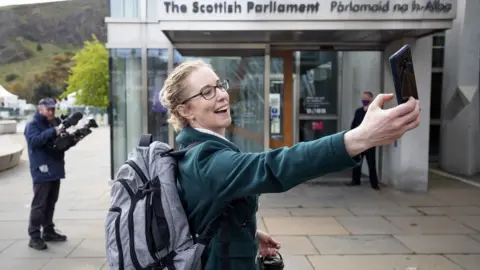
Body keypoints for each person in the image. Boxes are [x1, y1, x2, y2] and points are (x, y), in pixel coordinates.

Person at [160, 60, 420, 269]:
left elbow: (199, 217)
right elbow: (273, 167)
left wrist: (245, 234)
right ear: (185, 111)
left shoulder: (199, 149)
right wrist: (359, 138)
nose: (221, 95)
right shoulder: (206, 161)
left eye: (219, 85)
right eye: (207, 92)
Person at [24, 98, 68, 250]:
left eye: (53, 109)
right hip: (42, 169)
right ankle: (34, 235)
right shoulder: (32, 125)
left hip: (54, 167)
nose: (51, 112)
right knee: (40, 204)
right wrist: (53, 131)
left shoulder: (52, 123)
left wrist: (67, 138)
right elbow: (34, 141)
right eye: (48, 109)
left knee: (51, 201)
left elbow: (56, 144)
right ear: (39, 109)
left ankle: (48, 230)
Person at [347, 91, 380, 190]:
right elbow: (353, 125)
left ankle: (374, 184)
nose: (364, 101)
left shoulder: (374, 112)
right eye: (363, 99)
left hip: (369, 142)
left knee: (371, 164)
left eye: (366, 99)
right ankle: (355, 180)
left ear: (371, 100)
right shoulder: (359, 111)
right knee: (357, 162)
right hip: (359, 141)